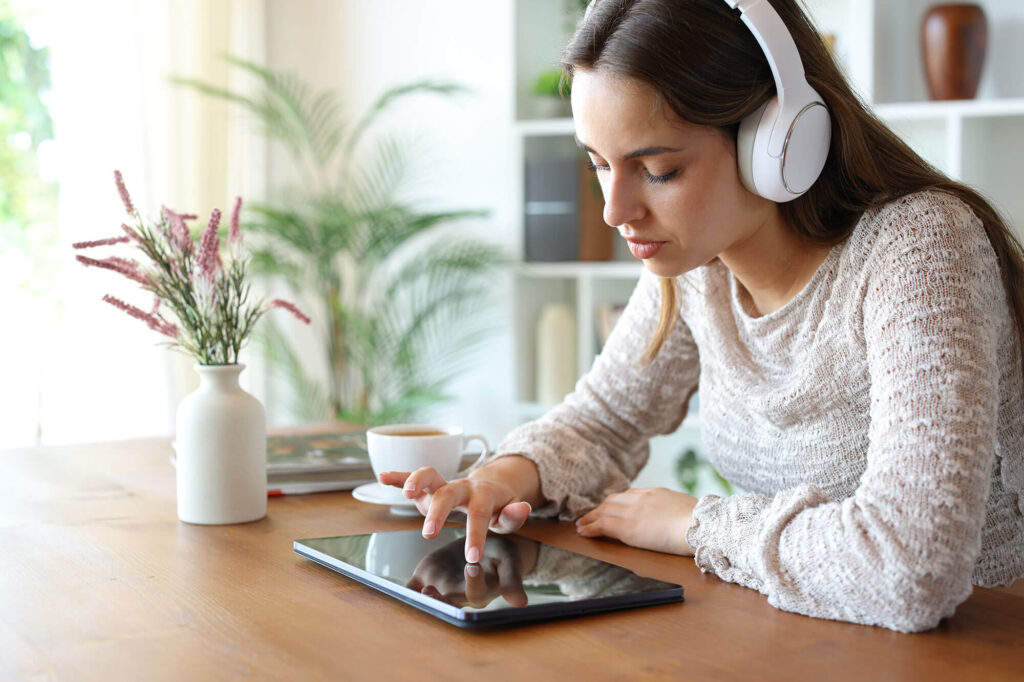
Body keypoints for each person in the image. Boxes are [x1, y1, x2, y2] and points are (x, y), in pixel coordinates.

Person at [379, 0, 1024, 633]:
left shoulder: (920, 248)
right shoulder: (697, 264)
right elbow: (606, 421)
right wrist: (504, 475)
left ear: (777, 141)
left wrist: (697, 525)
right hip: (810, 637)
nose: (613, 210)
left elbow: (911, 567)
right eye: (599, 163)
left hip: (982, 642)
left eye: (657, 170)